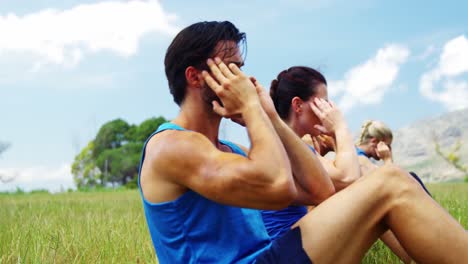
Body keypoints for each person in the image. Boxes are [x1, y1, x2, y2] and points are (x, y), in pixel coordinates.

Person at [138, 21, 468, 263]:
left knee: (393, 183)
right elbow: (278, 184)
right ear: (195, 76)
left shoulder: (230, 153)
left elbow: (318, 190)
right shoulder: (171, 147)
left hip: (266, 257)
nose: (242, 79)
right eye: (232, 68)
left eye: (242, 68)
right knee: (391, 182)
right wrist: (253, 110)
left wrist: (267, 116)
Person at [265, 66, 415, 263]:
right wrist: (339, 126)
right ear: (298, 105)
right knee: (366, 172)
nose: (328, 110)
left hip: (296, 243)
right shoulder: (283, 144)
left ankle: (421, 253)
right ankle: (419, 256)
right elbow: (347, 178)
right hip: (285, 250)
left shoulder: (292, 144)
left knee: (371, 177)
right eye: (323, 103)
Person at [356, 120, 432, 196]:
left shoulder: (356, 153)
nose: (389, 149)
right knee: (411, 177)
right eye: (387, 145)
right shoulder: (360, 158)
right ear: (374, 142)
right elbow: (390, 181)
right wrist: (387, 159)